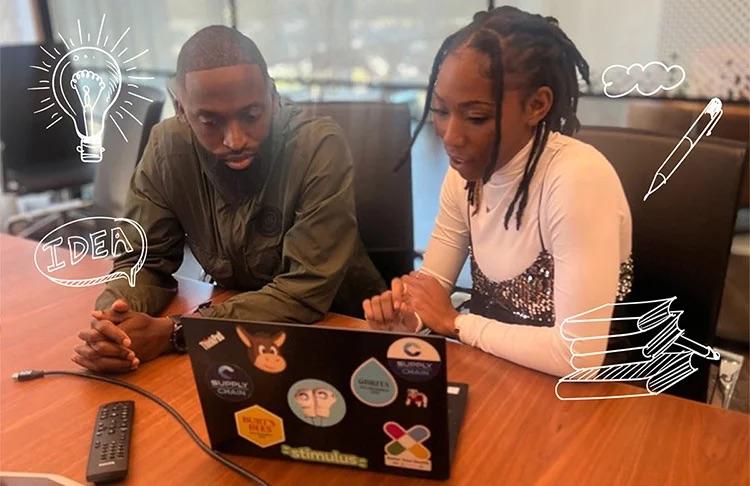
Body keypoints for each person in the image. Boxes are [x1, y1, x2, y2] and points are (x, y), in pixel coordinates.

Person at [73, 26, 385, 373]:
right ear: (181, 108)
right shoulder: (167, 149)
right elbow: (142, 261)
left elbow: (305, 291)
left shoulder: (317, 147)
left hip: (338, 332)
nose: (235, 140)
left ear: (274, 95)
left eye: (252, 115)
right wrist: (115, 320)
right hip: (237, 335)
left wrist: (180, 331)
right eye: (209, 121)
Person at [363, 6, 633, 377]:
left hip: (591, 400)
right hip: (499, 376)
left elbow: (578, 355)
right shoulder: (463, 178)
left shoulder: (577, 179)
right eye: (441, 111)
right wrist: (405, 316)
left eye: (476, 117)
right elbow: (432, 290)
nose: (451, 136)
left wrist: (457, 324)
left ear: (537, 105)